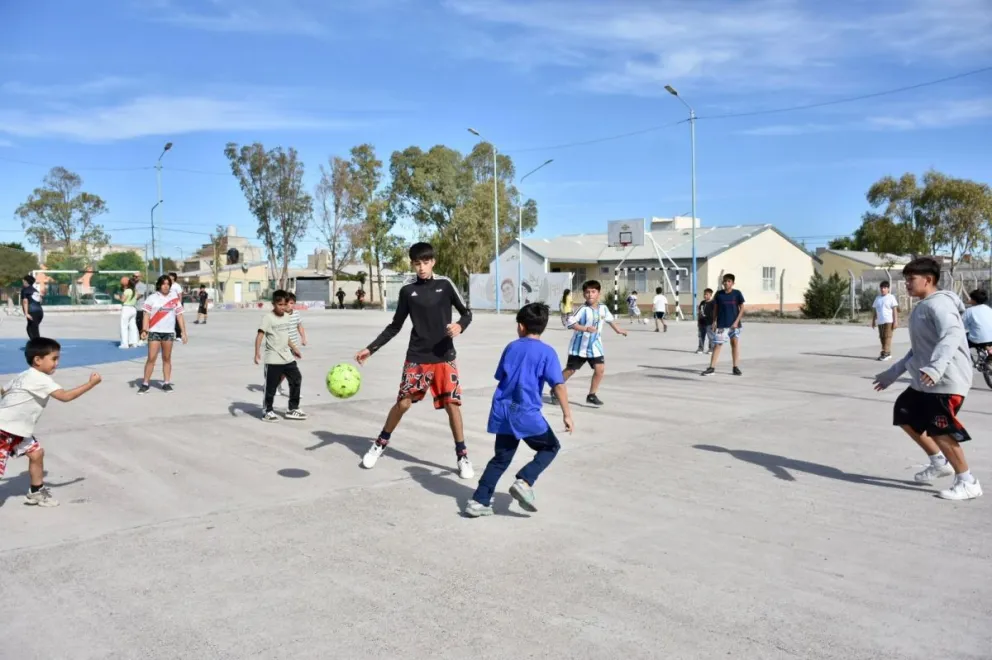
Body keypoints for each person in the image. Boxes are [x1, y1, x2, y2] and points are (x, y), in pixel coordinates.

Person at [354, 242, 474, 478]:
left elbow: (467, 313)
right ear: (413, 264)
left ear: (433, 262)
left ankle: (462, 456)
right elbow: (395, 326)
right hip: (417, 357)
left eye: (426, 262)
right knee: (404, 403)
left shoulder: (445, 284)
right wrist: (371, 349)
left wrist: (460, 326)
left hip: (444, 356)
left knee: (452, 405)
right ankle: (379, 443)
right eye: (417, 263)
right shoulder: (407, 291)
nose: (422, 267)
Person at [873, 257, 981, 501]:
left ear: (928, 280)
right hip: (927, 380)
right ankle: (938, 461)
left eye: (911, 279)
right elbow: (918, 350)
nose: (907, 285)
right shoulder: (924, 306)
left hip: (946, 380)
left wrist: (936, 367)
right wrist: (893, 373)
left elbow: (952, 335)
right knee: (904, 412)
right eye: (906, 279)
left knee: (940, 429)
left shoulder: (939, 304)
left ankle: (967, 481)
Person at [464, 303, 574, 517]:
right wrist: (567, 414)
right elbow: (558, 384)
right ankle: (524, 480)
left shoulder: (512, 347)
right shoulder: (547, 352)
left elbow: (501, 376)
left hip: (503, 410)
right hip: (525, 413)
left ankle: (479, 501)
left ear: (521, 327)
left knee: (500, 459)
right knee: (551, 447)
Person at [0, 337, 101, 507]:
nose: (57, 363)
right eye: (54, 359)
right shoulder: (40, 379)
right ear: (38, 360)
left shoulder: (23, 375)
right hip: (5, 429)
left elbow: (3, 391)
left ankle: (36, 492)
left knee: (36, 454)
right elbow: (65, 396)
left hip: (18, 430)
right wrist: (91, 384)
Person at [558, 280, 628, 406]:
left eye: (593, 292)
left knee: (600, 369)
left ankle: (591, 395)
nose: (590, 294)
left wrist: (618, 330)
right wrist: (585, 328)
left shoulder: (603, 308)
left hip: (595, 346)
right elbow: (571, 324)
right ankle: (555, 389)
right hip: (579, 347)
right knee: (571, 370)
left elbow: (610, 320)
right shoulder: (582, 309)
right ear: (584, 295)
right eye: (587, 292)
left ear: (598, 294)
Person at [255, 290, 306, 422]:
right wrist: (257, 353)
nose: (283, 307)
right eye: (280, 305)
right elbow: (260, 335)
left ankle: (293, 408)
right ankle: (267, 411)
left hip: (287, 356)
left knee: (296, 379)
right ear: (273, 304)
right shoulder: (268, 318)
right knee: (271, 387)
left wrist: (295, 348)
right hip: (273, 358)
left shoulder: (286, 317)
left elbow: (285, 336)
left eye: (284, 304)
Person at [138, 275, 187, 394]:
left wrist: (183, 332)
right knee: (151, 358)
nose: (166, 286)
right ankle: (145, 384)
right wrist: (144, 330)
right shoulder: (152, 298)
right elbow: (146, 315)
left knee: (166, 358)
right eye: (164, 284)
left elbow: (179, 316)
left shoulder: (174, 299)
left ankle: (166, 383)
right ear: (159, 285)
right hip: (154, 332)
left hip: (168, 333)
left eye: (168, 284)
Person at [702, 274, 745, 377]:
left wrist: (736, 321)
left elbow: (742, 308)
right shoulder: (719, 294)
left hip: (734, 325)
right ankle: (711, 368)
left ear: (733, 283)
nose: (726, 283)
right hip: (722, 324)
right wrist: (714, 321)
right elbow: (716, 308)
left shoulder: (737, 294)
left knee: (734, 344)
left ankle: (735, 367)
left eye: (729, 281)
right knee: (718, 345)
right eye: (725, 281)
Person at [278, 292, 307, 396]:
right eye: (289, 303)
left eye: (292, 303)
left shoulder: (296, 313)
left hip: (293, 346)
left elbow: (299, 325)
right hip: (283, 347)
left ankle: (276, 385)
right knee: (289, 370)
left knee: (287, 371)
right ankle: (293, 391)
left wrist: (303, 337)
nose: (291, 305)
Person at [871, 281, 899, 361]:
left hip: (889, 321)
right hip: (880, 321)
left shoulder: (891, 297)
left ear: (888, 289)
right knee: (882, 337)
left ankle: (885, 352)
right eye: (882, 288)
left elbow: (894, 310)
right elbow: (875, 311)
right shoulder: (878, 298)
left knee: (887, 336)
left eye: (885, 288)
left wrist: (895, 321)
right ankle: (887, 352)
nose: (883, 289)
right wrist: (873, 321)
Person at [963, 289, 992, 364]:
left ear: (974, 300)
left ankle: (965, 361)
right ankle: (989, 351)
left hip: (977, 339)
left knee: (962, 342)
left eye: (971, 298)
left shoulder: (969, 310)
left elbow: (961, 325)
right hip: (991, 337)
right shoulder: (989, 309)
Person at [116, 278, 138, 348]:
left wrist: (118, 297)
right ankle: (134, 342)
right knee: (133, 326)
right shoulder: (135, 290)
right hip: (133, 308)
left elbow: (123, 300)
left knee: (124, 326)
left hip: (126, 308)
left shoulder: (127, 291)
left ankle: (124, 344)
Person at [20, 275, 43, 341]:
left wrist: (26, 313)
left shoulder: (24, 290)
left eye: (23, 280)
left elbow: (25, 301)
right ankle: (34, 345)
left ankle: (39, 347)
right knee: (30, 328)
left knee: (34, 331)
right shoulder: (35, 290)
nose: (22, 281)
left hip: (33, 313)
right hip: (40, 313)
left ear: (26, 281)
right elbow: (40, 300)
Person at [696, 288, 715, 354]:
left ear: (710, 295)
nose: (705, 296)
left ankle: (711, 348)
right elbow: (699, 312)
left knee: (711, 336)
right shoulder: (702, 302)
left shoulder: (713, 303)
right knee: (701, 336)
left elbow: (716, 313)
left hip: (710, 323)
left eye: (707, 294)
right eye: (704, 294)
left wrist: (715, 322)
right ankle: (700, 348)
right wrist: (698, 321)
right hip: (702, 322)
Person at [132, 272, 148, 346]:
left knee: (140, 325)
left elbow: (138, 296)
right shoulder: (132, 285)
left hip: (140, 308)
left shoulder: (142, 285)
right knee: (134, 325)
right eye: (134, 276)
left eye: (137, 276)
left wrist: (129, 298)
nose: (135, 278)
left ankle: (142, 339)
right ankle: (136, 339)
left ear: (140, 277)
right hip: (133, 308)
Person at [168, 272, 184, 341]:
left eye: (170, 276)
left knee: (177, 321)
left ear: (173, 277)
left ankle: (178, 336)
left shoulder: (177, 286)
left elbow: (180, 296)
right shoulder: (167, 285)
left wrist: (179, 305)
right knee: (168, 320)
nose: (168, 277)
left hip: (175, 305)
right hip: (168, 305)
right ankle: (169, 335)